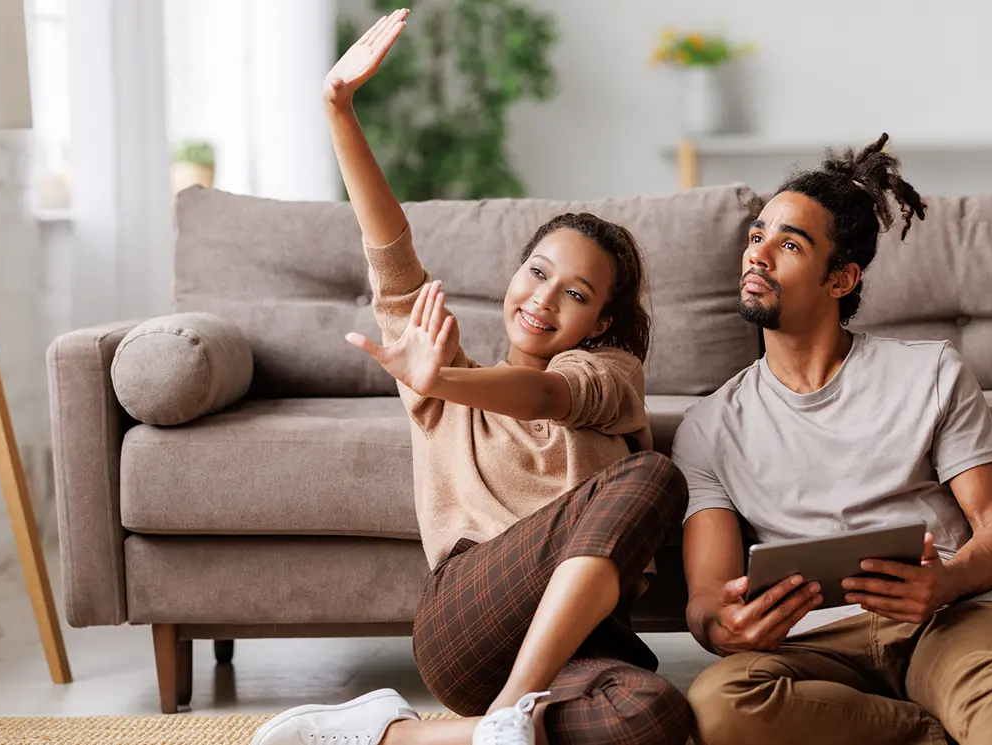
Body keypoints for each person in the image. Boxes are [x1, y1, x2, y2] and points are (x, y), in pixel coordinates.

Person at [253, 9, 692, 745]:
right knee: (653, 477)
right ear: (516, 273)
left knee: (654, 715)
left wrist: (446, 381)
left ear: (602, 323)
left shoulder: (611, 376)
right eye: (538, 271)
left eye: (576, 295)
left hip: (582, 642)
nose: (545, 299)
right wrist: (337, 109)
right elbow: (389, 248)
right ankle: (508, 715)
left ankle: (405, 736)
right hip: (468, 621)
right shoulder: (441, 371)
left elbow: (551, 395)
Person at [673, 134, 992, 745]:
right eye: (756, 236)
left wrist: (948, 581)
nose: (759, 255)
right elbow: (705, 596)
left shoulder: (930, 372)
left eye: (789, 244)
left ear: (841, 279)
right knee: (717, 706)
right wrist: (723, 627)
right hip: (814, 644)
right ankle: (946, 732)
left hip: (950, 617)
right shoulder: (708, 426)